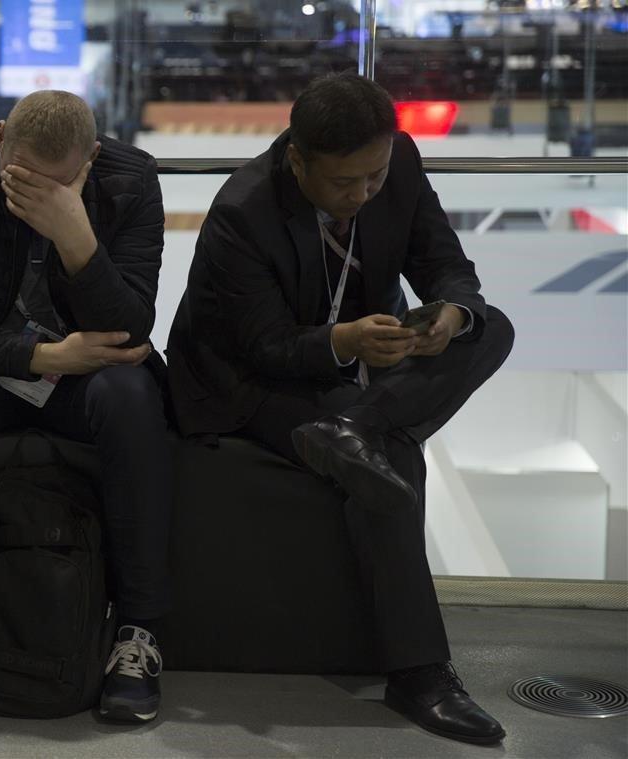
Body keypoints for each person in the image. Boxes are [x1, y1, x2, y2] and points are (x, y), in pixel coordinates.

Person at [167, 73, 515, 746]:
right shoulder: (243, 209)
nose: (361, 195)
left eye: (374, 178)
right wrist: (341, 341)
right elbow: (262, 345)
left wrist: (449, 310)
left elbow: (445, 261)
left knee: (490, 326)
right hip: (246, 381)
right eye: (342, 184)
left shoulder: (401, 162)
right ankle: (419, 673)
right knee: (390, 458)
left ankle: (354, 424)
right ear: (297, 159)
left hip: (352, 369)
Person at [0, 90, 171, 723]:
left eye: (59, 184)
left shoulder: (132, 179)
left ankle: (139, 634)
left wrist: (76, 237)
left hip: (87, 374)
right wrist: (39, 359)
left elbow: (130, 327)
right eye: (21, 178)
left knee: (133, 396)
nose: (36, 195)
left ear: (91, 160)